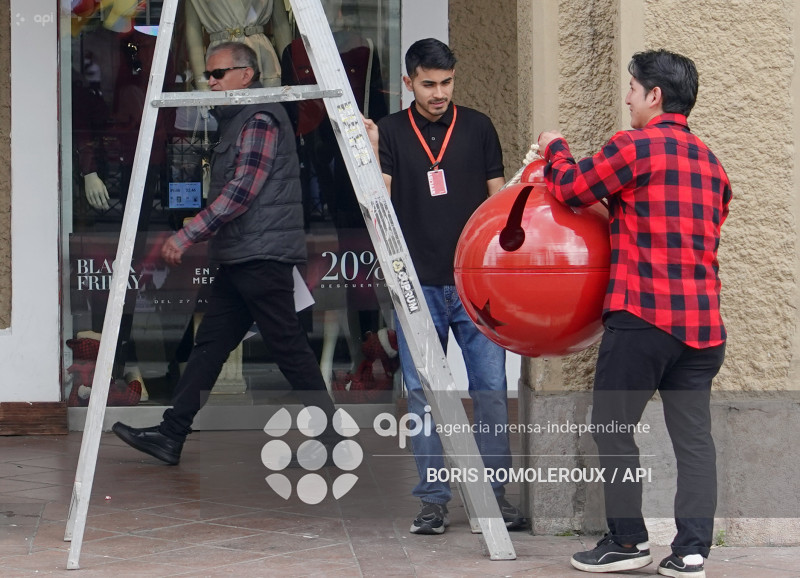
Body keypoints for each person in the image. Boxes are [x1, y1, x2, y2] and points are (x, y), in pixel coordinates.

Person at [538, 49, 732, 578]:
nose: (626, 96)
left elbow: (571, 187)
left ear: (655, 95)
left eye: (631, 88)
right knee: (694, 441)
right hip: (703, 329)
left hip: (644, 317)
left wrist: (555, 149)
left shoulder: (635, 147)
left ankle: (627, 542)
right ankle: (692, 552)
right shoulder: (713, 165)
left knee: (611, 424)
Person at [112, 42, 340, 465]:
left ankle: (331, 435)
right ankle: (171, 434)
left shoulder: (258, 118)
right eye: (208, 76)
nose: (210, 82)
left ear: (245, 75)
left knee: (286, 346)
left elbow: (241, 192)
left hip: (261, 255)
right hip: (244, 254)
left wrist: (187, 235)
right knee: (211, 347)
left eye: (218, 74)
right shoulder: (241, 120)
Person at [364, 38, 525, 535]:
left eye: (447, 83)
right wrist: (369, 155)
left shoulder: (478, 127)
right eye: (429, 84)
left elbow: (499, 208)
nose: (439, 93)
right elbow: (381, 207)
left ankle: (492, 497)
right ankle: (433, 499)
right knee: (423, 394)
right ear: (408, 82)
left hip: (476, 286)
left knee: (493, 390)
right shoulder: (391, 131)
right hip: (417, 285)